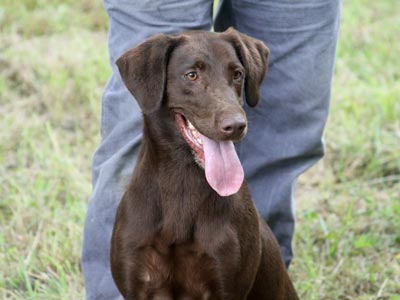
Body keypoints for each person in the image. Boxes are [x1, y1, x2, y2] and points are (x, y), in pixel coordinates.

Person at [81, 0, 341, 299]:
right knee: (130, 129)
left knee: (284, 130)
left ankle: (255, 263)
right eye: (193, 76)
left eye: (236, 76)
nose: (233, 114)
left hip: (226, 229)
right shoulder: (152, 66)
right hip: (144, 210)